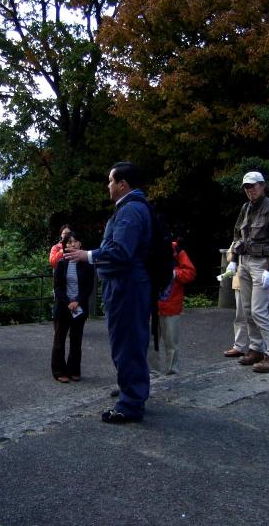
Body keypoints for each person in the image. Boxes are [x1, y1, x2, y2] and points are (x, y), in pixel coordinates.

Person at [64, 161, 153, 424]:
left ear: (122, 184)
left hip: (127, 286)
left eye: (111, 181)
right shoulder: (137, 207)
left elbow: (121, 252)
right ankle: (132, 390)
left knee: (127, 342)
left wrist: (87, 255)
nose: (108, 185)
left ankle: (131, 404)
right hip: (131, 285)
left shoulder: (129, 211)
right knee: (130, 341)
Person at [226, 171, 269, 373]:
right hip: (244, 261)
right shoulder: (245, 207)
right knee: (248, 309)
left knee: (259, 311)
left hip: (262, 264)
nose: (250, 190)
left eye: (253, 185)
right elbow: (237, 233)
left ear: (262, 185)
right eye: (247, 187)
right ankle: (255, 349)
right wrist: (233, 259)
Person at [51, 231, 94, 383]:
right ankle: (58, 371)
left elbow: (89, 287)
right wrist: (68, 302)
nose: (72, 244)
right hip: (63, 306)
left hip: (79, 306)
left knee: (76, 340)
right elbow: (57, 287)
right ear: (64, 245)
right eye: (69, 242)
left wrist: (78, 301)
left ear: (80, 244)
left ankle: (74, 370)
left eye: (75, 241)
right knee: (59, 340)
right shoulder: (61, 263)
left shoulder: (87, 264)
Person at [149, 239, 196, 375]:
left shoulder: (175, 249)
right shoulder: (144, 247)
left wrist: (173, 273)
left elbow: (190, 273)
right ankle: (152, 373)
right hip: (150, 305)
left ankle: (172, 371)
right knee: (150, 342)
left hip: (171, 305)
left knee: (171, 342)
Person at [222, 242, 252, 359]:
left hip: (256, 280)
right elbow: (229, 255)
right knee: (240, 316)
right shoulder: (238, 237)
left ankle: (257, 348)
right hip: (240, 282)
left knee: (256, 315)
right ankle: (239, 346)